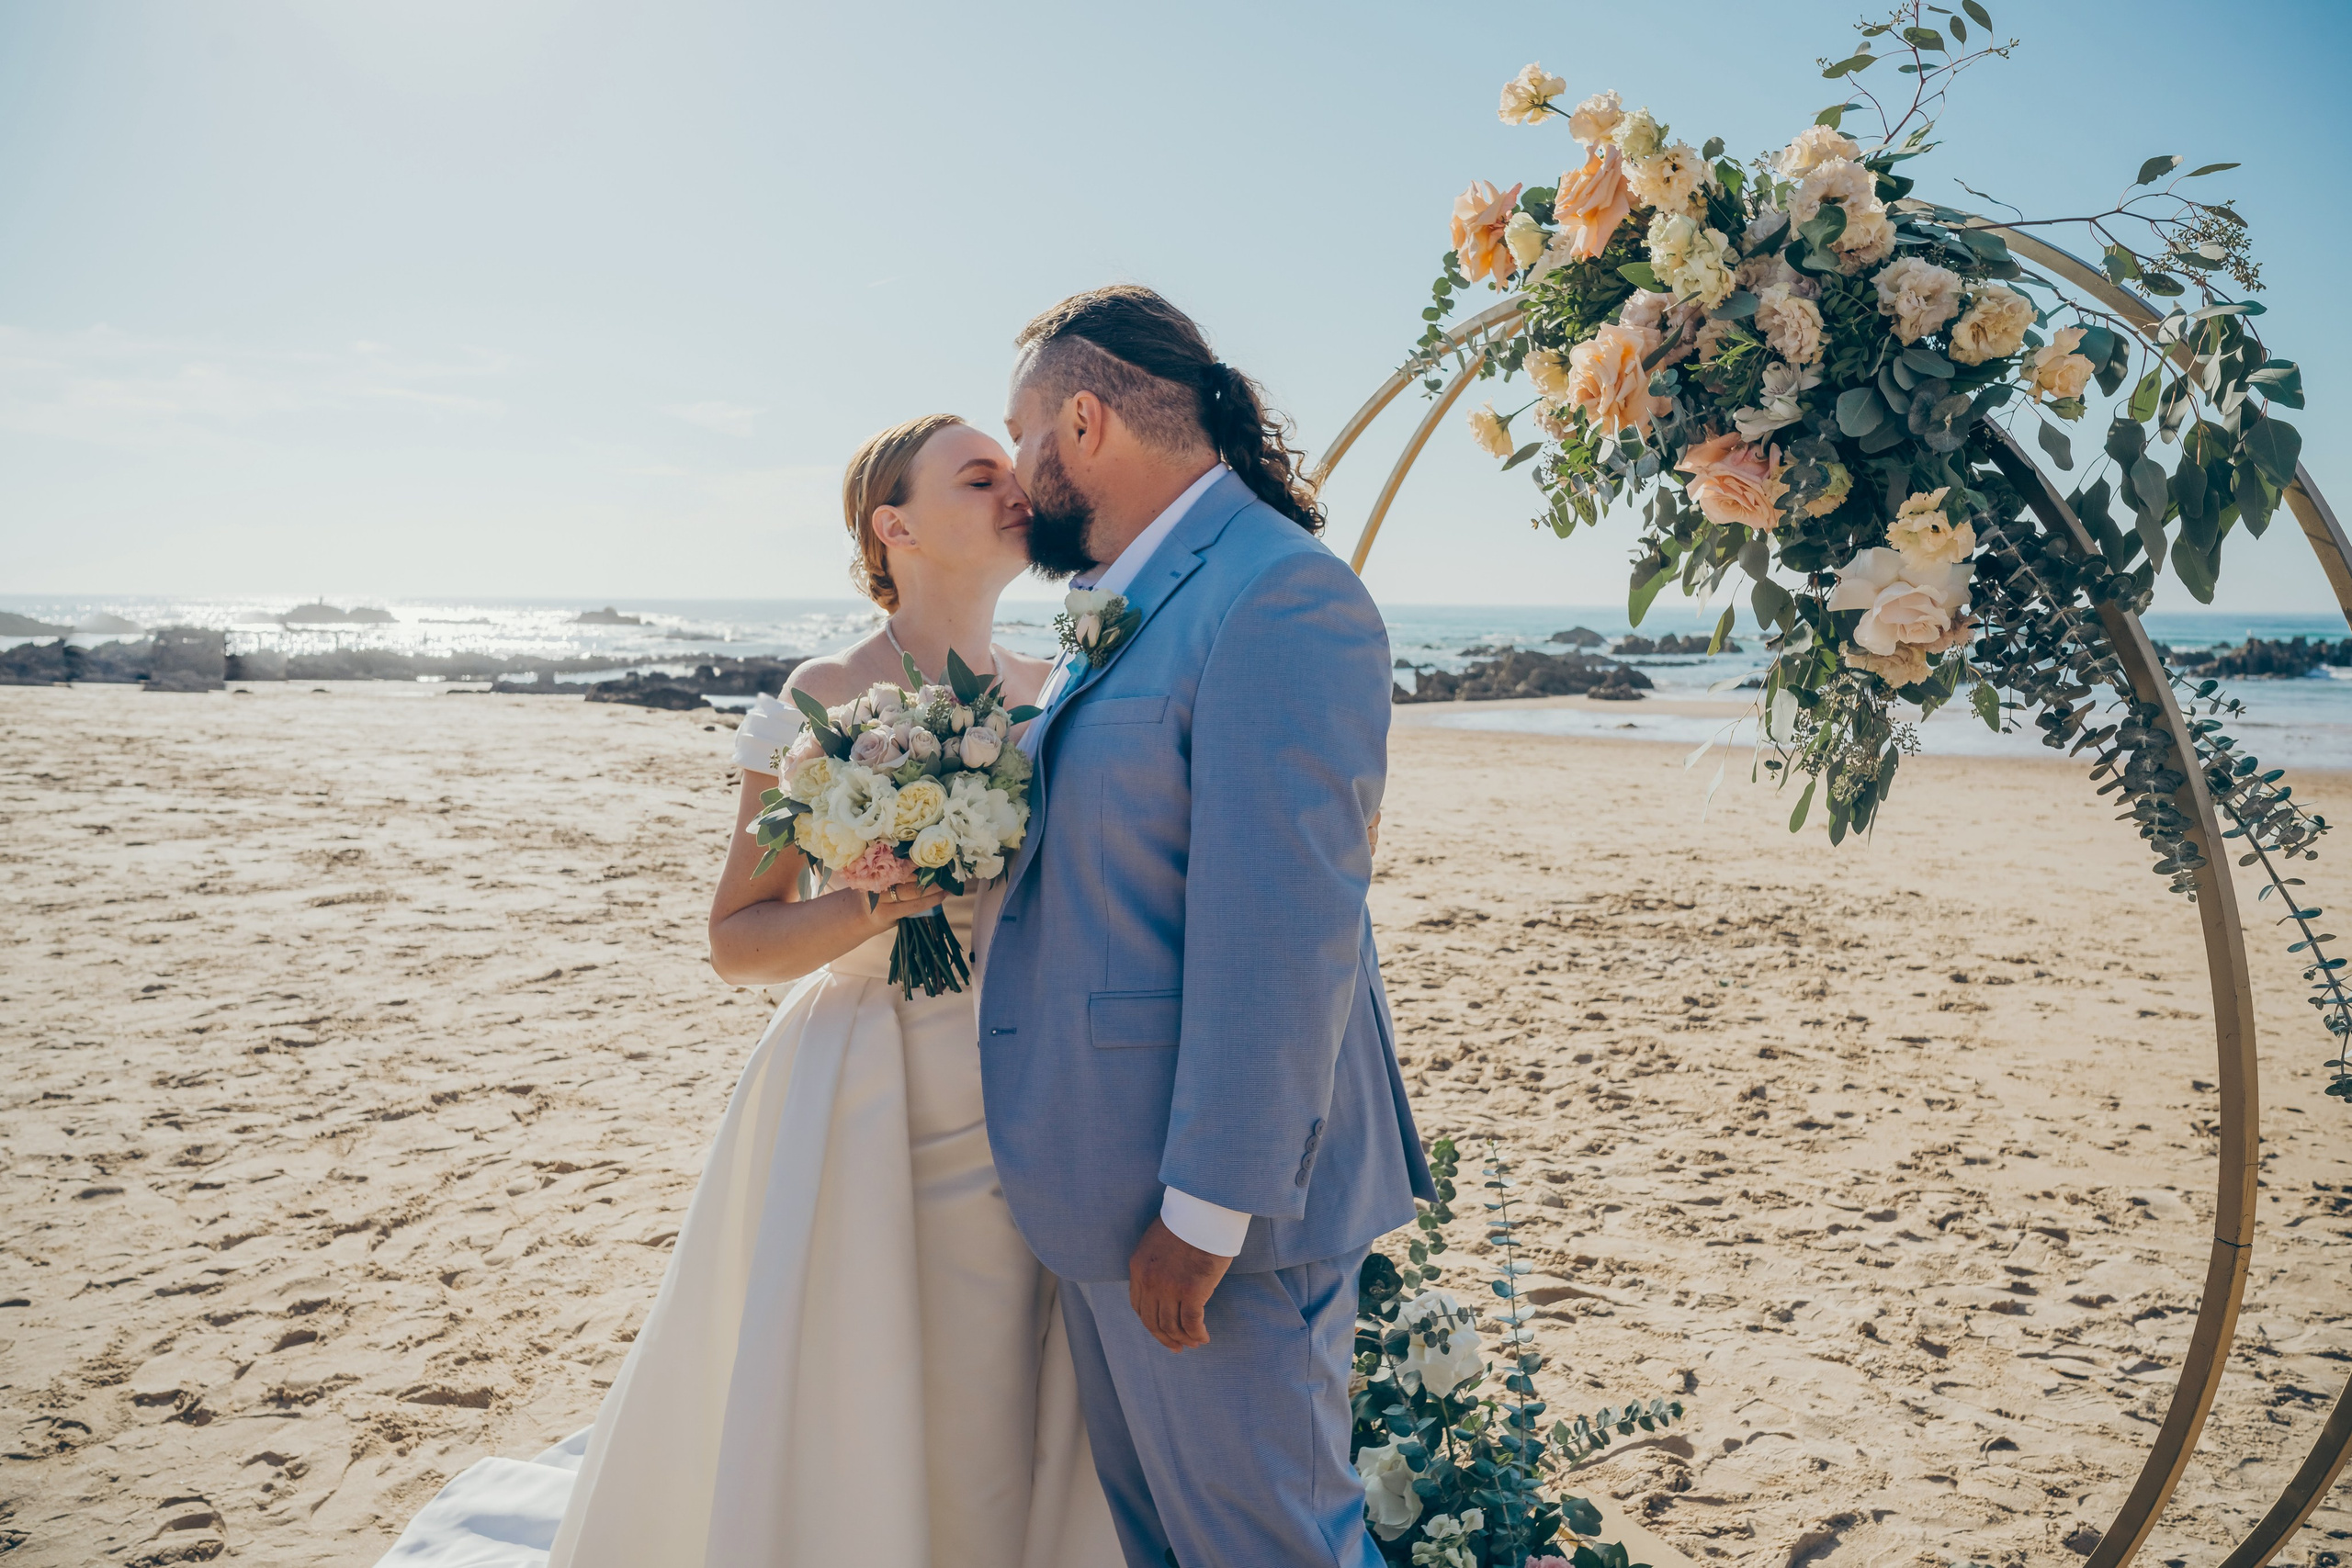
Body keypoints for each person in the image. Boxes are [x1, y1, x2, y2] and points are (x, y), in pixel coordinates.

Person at [376, 413, 1122, 1568]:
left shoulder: (1057, 688)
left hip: (1032, 1085)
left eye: (1011, 471)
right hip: (873, 1097)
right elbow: (739, 940)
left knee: (1006, 1384)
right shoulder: (827, 694)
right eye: (980, 476)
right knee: (866, 1382)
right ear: (896, 524)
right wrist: (877, 901)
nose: (1014, 488)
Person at [977, 286, 1431, 1568]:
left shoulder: (1280, 594)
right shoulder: (1138, 594)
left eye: (1021, 436)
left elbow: (1288, 935)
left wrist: (1210, 1210)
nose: (1017, 474)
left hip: (1217, 1220)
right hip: (1109, 1189)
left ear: (1084, 418)